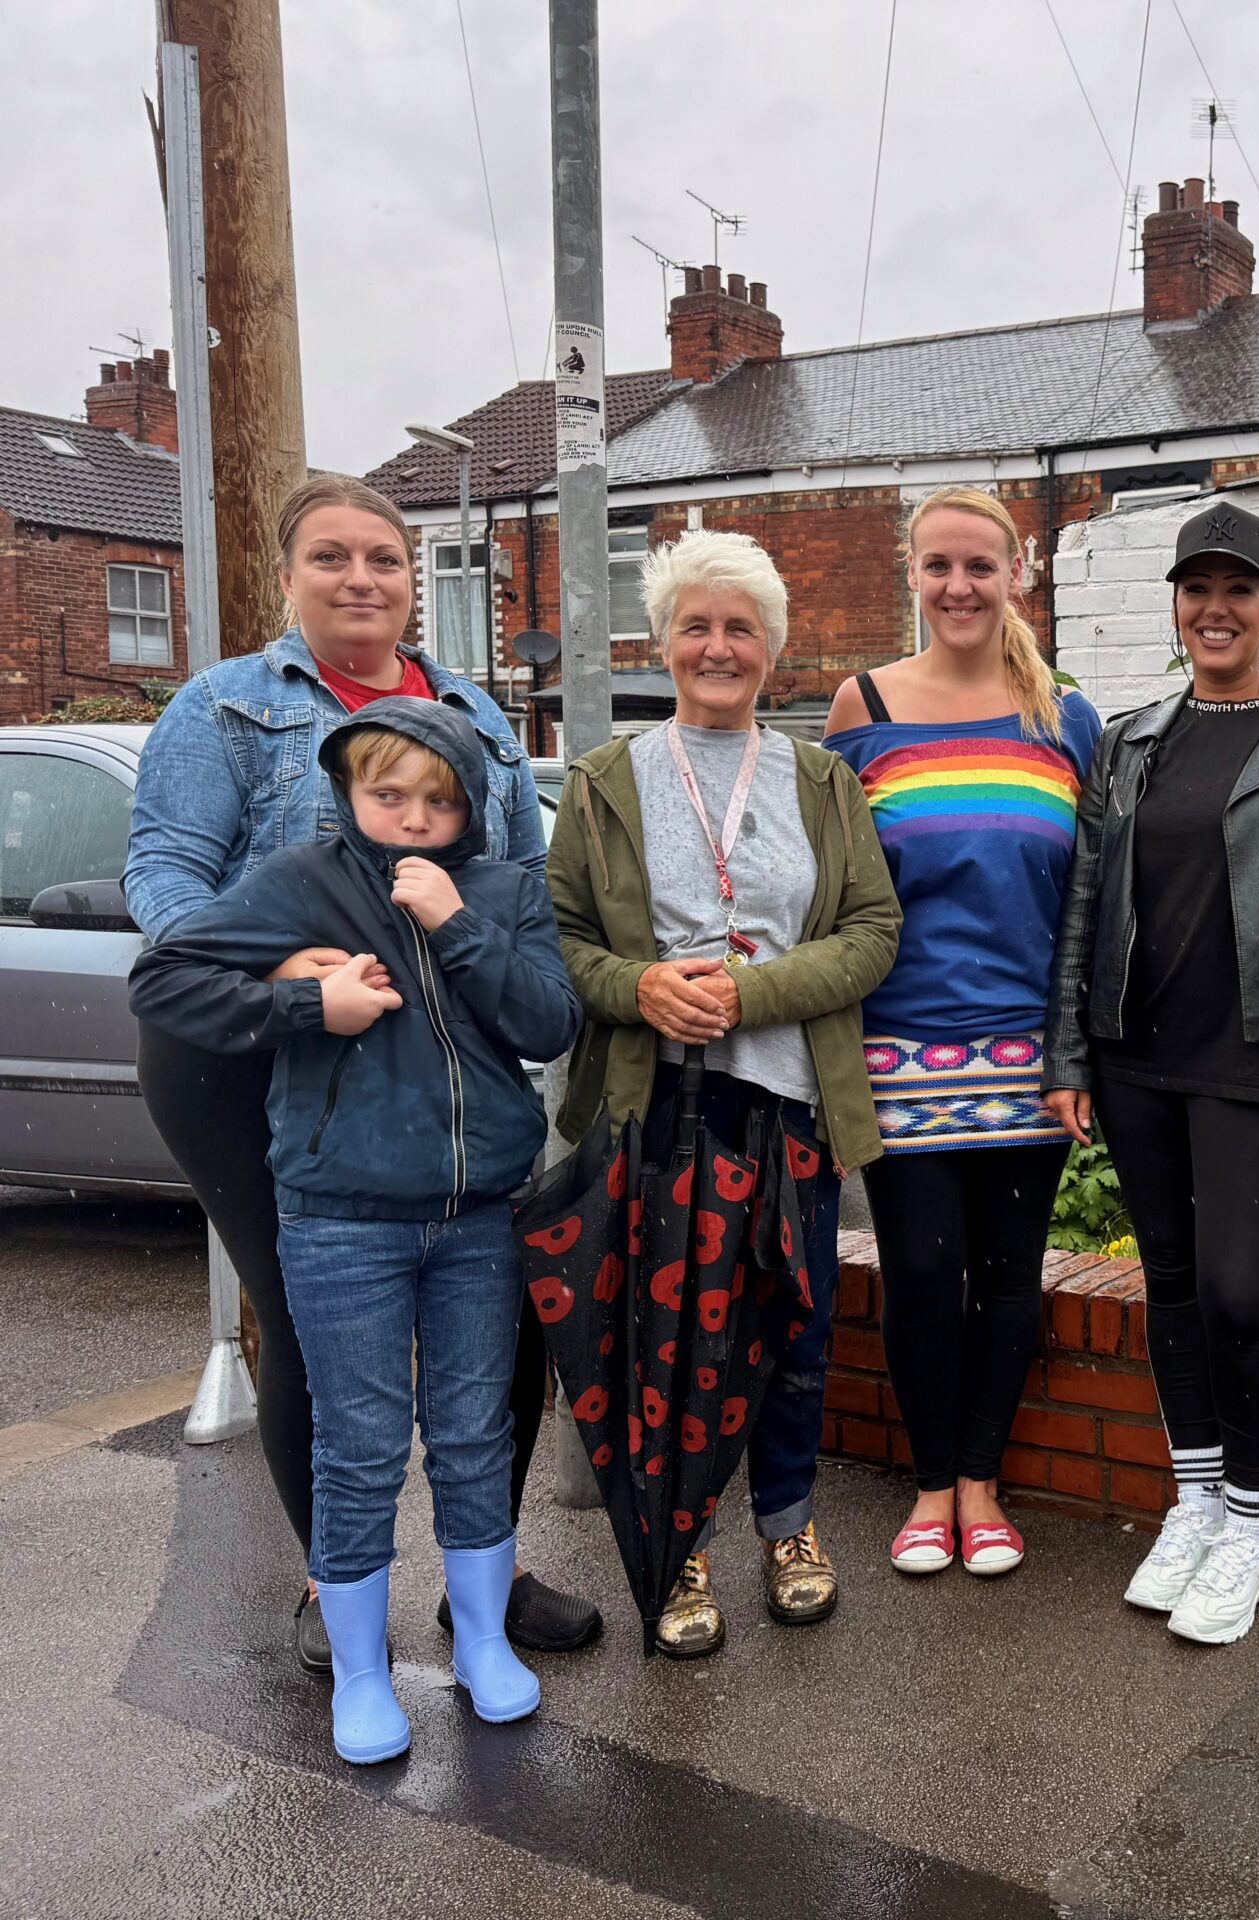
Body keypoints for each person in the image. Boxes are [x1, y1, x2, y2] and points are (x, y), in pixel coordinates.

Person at [124, 472, 602, 1675]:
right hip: (252, 1045)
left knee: (495, 1335)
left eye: (385, 559)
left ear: (413, 577)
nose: (361, 580)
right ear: (287, 575)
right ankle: (333, 1572)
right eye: (331, 558)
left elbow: (516, 884)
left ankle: (477, 1581)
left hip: (434, 1064)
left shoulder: (473, 715)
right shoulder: (226, 706)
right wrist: (289, 970)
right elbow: (167, 880)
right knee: (310, 1325)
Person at [1041, 499, 1259, 1646]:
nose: (1216, 610)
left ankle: (1253, 1523)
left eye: (1238, 591)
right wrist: (1072, 1052)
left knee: (1243, 1294)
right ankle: (1192, 1498)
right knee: (1173, 1287)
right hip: (1138, 1058)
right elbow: (1086, 904)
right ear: (1178, 610)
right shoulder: (1131, 741)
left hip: (1257, 1058)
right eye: (1197, 590)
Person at [548, 527, 901, 1658]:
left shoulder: (821, 778)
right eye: (694, 626)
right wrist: (642, 986)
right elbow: (558, 942)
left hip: (788, 1102)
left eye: (739, 628)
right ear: (660, 643)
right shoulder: (604, 781)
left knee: (794, 1329)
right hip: (653, 1106)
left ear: (773, 651)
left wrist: (747, 993)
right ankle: (679, 1537)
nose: (716, 646)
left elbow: (871, 932)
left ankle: (788, 1526)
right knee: (664, 1340)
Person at [823, 488, 1101, 1579]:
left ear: (1016, 572)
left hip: (1028, 1055)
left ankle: (983, 1486)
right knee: (921, 1271)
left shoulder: (1063, 717)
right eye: (937, 565)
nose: (958, 586)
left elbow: (1091, 895)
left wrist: (1081, 1051)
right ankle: (931, 1484)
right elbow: (827, 883)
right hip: (898, 1052)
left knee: (1009, 1273)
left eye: (979, 566)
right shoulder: (864, 707)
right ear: (913, 574)